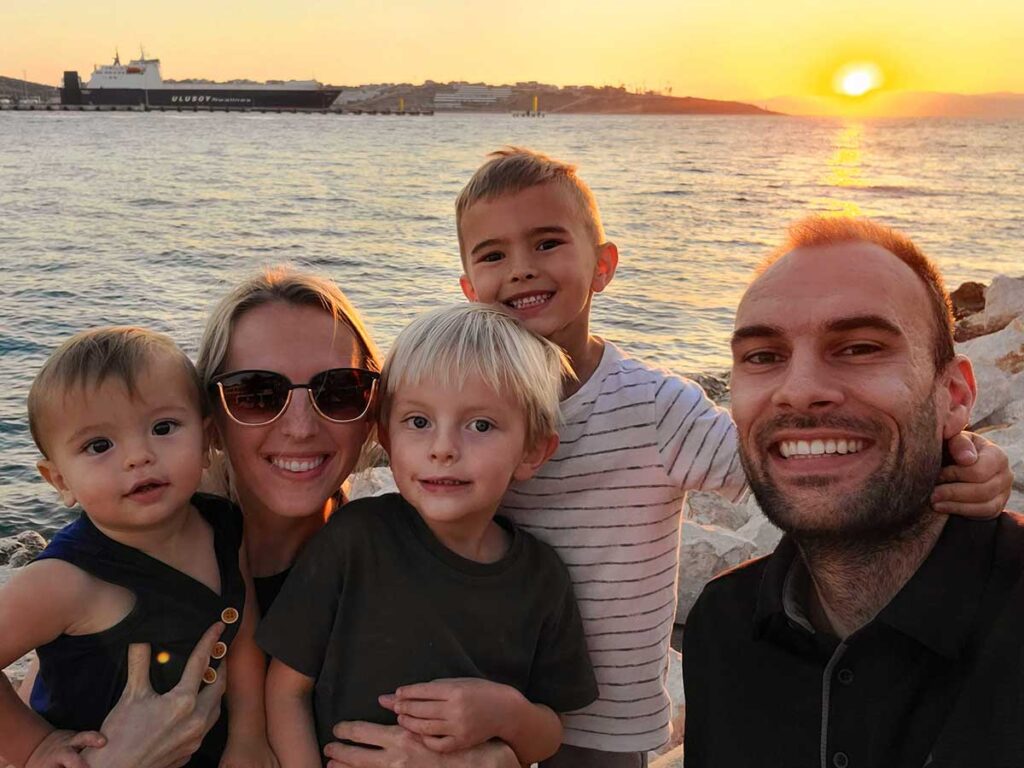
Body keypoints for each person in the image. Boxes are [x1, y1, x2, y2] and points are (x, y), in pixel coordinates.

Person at [450, 147, 1014, 766]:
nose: (523, 269)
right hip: (480, 689)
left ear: (604, 266)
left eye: (548, 243)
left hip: (604, 719)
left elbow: (792, 468)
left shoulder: (653, 407)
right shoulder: (455, 403)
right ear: (468, 285)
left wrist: (955, 453)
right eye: (494, 254)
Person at [16, 269, 520, 768]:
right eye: (256, 393)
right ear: (211, 420)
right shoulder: (126, 563)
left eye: (339, 389)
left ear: (374, 411)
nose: (300, 427)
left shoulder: (403, 559)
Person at [683, 216, 1024, 767]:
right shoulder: (723, 628)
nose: (798, 391)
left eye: (860, 347)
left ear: (956, 396)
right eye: (764, 357)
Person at [259, 304, 599, 767]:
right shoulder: (354, 540)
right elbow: (284, 690)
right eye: (418, 422)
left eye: (480, 425)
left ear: (533, 450)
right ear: (386, 436)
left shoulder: (543, 580)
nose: (443, 449)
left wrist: (505, 713)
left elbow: (549, 734)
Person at [0, 328, 274, 768]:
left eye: (163, 427)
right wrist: (33, 746)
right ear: (60, 480)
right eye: (99, 445)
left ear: (206, 441)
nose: (138, 456)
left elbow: (241, 631)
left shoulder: (222, 524)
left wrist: (249, 735)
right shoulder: (63, 581)